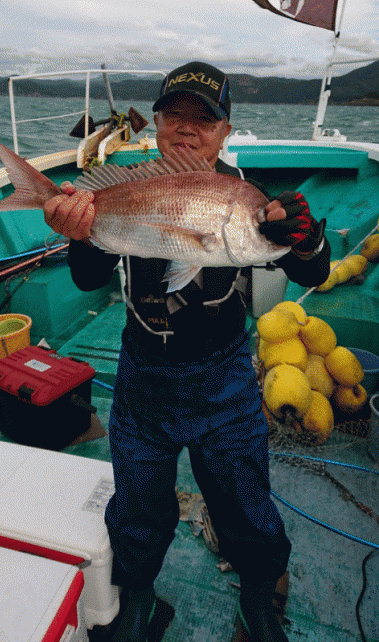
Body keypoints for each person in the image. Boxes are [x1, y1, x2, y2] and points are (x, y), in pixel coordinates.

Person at [44, 61, 331, 642]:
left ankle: (258, 598)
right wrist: (78, 232)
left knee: (244, 499)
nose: (188, 128)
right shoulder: (133, 182)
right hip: (142, 377)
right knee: (137, 503)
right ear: (156, 121)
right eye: (176, 114)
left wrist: (303, 237)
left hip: (222, 377)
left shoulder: (247, 197)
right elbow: (86, 277)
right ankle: (140, 599)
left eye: (205, 119)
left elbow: (312, 266)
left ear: (225, 130)